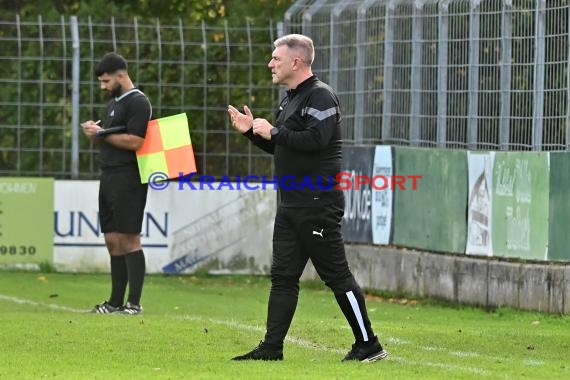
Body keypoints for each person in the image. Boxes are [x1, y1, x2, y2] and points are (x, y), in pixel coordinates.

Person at [227, 34, 388, 362]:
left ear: (296, 62)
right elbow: (282, 144)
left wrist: (274, 130)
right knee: (283, 276)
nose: (270, 64)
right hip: (291, 205)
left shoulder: (320, 95)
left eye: (276, 58)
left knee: (337, 276)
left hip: (317, 204)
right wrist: (251, 130)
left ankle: (369, 344)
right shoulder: (291, 99)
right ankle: (272, 348)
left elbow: (315, 139)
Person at [81, 52, 152, 315]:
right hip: (108, 174)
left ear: (121, 75)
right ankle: (113, 302)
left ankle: (134, 303)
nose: (103, 86)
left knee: (129, 238)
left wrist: (102, 135)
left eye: (106, 81)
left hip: (129, 177)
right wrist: (95, 133)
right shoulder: (113, 102)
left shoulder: (138, 102)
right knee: (112, 239)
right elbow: (107, 136)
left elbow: (135, 141)